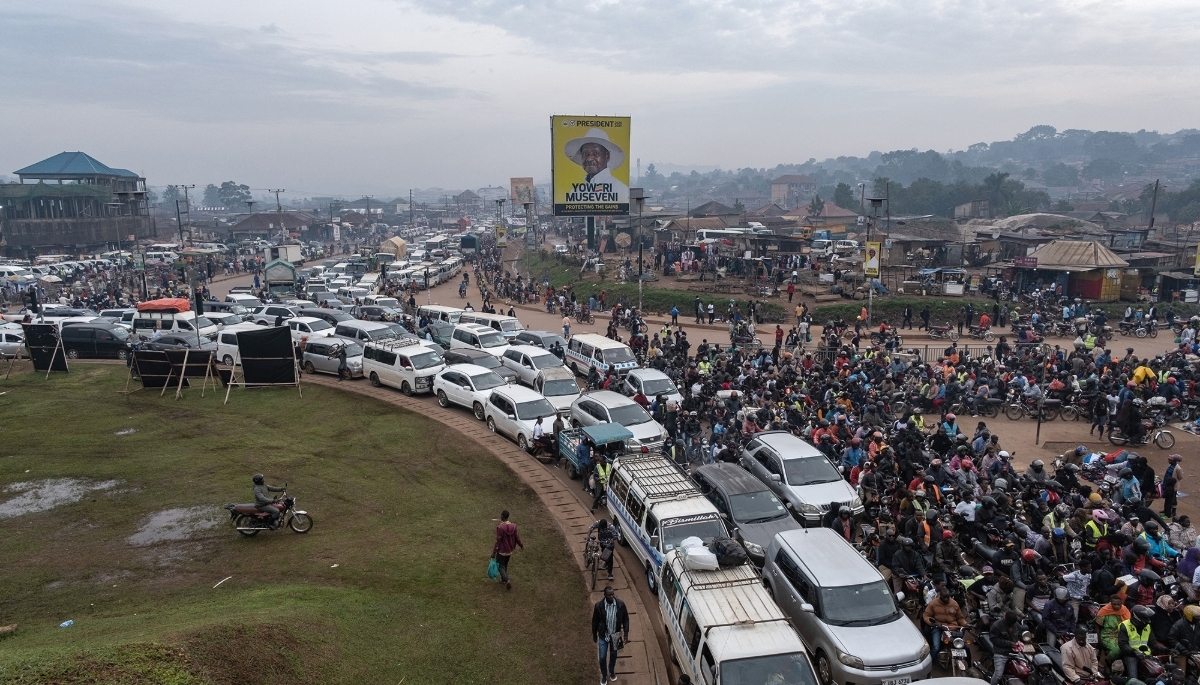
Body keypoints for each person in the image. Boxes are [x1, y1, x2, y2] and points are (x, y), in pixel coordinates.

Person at [591, 585, 630, 685]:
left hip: (616, 635)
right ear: (604, 595)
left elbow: (626, 619)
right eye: (609, 595)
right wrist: (594, 634)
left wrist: (625, 634)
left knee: (613, 655)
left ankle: (611, 671)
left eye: (612, 594)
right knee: (602, 657)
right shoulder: (599, 606)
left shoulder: (620, 605)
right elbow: (594, 621)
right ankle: (604, 675)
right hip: (603, 635)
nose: (611, 596)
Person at [923, 584, 967, 661]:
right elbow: (926, 616)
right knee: (936, 647)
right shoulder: (933, 603)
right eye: (944, 597)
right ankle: (931, 664)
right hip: (938, 627)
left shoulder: (954, 603)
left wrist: (966, 624)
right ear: (940, 595)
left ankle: (969, 665)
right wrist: (934, 623)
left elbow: (960, 618)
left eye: (948, 597)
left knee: (964, 646)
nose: (946, 599)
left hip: (952, 627)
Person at [1118, 605, 1157, 679]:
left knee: (1156, 674)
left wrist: (1166, 650)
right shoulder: (1125, 625)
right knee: (1133, 678)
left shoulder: (1147, 626)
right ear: (1136, 617)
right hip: (1131, 655)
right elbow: (1123, 644)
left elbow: (1153, 643)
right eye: (1145, 618)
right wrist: (1134, 652)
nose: (1147, 620)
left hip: (1146, 655)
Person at [490, 509, 523, 590]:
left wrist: (494, 552)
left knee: (500, 566)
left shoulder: (500, 528)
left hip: (502, 550)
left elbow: (498, 541)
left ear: (502, 516)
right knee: (505, 565)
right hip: (510, 550)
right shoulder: (514, 526)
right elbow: (517, 538)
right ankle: (503, 580)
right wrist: (521, 545)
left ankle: (506, 579)